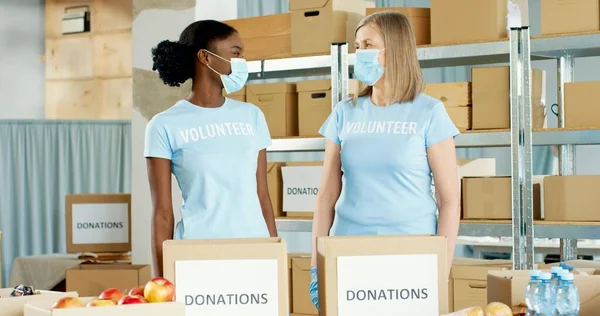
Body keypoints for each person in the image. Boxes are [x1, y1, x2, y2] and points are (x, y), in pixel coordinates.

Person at [309, 12, 461, 308]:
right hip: (348, 252)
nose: (359, 53)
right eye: (357, 45)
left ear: (395, 48)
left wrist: (441, 268)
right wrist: (316, 264)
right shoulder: (344, 113)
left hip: (410, 254)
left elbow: (449, 201)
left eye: (367, 44)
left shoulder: (429, 113)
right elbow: (326, 197)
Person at [145, 20, 278, 277]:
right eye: (236, 53)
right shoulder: (163, 125)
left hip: (255, 253)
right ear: (206, 57)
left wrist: (275, 253)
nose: (242, 61)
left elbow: (262, 195)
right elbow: (162, 213)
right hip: (197, 255)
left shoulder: (252, 116)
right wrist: (161, 281)